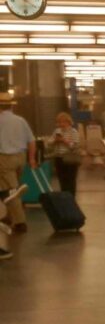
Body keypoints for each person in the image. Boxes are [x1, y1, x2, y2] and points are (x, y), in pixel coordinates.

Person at [0, 92, 36, 237]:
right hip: (20, 158)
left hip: (4, 158)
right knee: (12, 188)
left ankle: (20, 222)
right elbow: (31, 141)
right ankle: (9, 217)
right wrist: (32, 159)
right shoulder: (20, 120)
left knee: (9, 191)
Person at [48, 112, 80, 196]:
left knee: (70, 180)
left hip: (70, 159)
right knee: (62, 179)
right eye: (59, 122)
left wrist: (64, 141)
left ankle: (71, 196)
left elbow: (75, 146)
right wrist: (55, 140)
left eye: (63, 122)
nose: (61, 124)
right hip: (59, 158)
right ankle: (64, 196)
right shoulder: (57, 131)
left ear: (68, 122)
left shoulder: (73, 132)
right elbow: (49, 142)